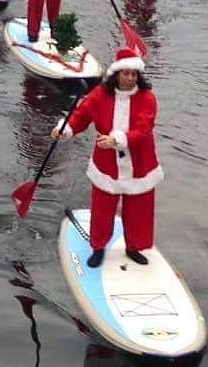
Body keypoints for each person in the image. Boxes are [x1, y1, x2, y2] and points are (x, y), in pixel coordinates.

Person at [52, 48, 163, 268]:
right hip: (106, 162)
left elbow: (143, 129)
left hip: (140, 162)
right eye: (126, 74)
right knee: (102, 209)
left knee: (139, 209)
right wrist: (65, 129)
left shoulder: (147, 98)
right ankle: (98, 247)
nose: (130, 78)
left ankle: (134, 247)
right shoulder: (100, 94)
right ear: (116, 75)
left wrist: (116, 140)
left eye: (134, 74)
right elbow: (81, 115)